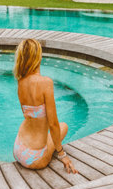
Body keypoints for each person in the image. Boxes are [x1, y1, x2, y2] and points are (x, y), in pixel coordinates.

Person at [12, 38, 77, 174]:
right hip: (35, 158)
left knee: (54, 129)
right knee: (63, 126)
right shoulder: (45, 83)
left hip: (18, 148)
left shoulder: (20, 82)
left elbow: (27, 115)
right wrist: (62, 155)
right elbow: (53, 124)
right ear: (38, 57)